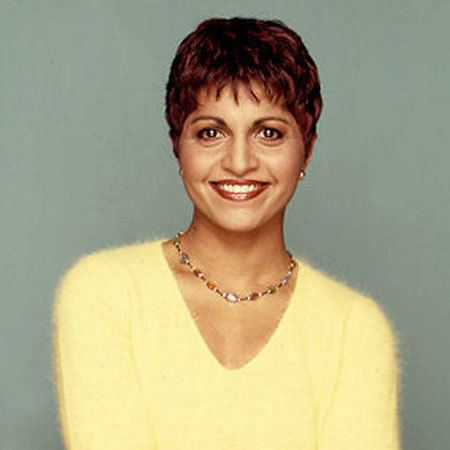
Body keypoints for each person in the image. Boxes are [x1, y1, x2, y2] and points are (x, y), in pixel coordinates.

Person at [52, 16, 403, 450]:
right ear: (177, 145)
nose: (239, 162)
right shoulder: (105, 294)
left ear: (307, 149)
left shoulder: (355, 328)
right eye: (211, 132)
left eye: (269, 133)